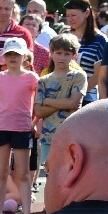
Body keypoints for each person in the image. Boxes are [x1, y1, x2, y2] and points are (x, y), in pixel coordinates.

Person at [0, 37, 39, 214]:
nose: (12, 58)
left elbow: (38, 104)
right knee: (1, 172)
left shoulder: (32, 78)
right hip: (1, 128)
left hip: (22, 128)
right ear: (3, 56)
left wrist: (34, 122)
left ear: (24, 56)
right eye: (9, 54)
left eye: (16, 54)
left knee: (23, 173)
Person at [34, 33, 87, 168]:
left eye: (66, 54)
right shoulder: (44, 80)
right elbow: (38, 111)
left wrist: (47, 101)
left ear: (74, 55)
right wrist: (64, 103)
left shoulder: (79, 76)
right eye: (58, 53)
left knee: (70, 170)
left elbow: (74, 103)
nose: (62, 57)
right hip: (48, 136)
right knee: (50, 172)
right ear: (51, 53)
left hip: (72, 134)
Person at [62, 0, 108, 104]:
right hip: (62, 95)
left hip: (87, 98)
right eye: (67, 15)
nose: (70, 19)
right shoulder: (64, 36)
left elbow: (99, 74)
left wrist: (77, 93)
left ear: (86, 13)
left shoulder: (100, 40)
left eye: (73, 15)